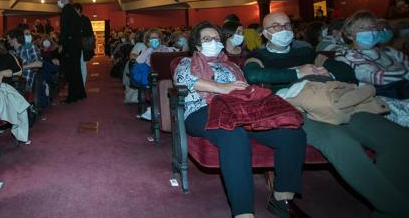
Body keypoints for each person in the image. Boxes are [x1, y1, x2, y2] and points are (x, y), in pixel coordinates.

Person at [244, 11, 409, 218]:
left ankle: (388, 208)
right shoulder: (259, 56)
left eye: (287, 25)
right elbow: (253, 75)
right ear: (265, 34)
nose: (283, 30)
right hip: (298, 108)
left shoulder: (308, 53)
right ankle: (397, 208)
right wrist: (297, 73)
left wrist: (327, 72)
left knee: (397, 138)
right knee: (341, 143)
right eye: (276, 26)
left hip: (334, 100)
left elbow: (346, 71)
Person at [174, 21, 308, 218]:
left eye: (216, 38)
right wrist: (222, 88)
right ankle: (243, 213)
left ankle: (281, 199)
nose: (213, 42)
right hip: (203, 111)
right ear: (197, 45)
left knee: (292, 132)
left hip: (241, 110)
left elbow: (245, 88)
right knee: (233, 134)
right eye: (206, 39)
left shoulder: (231, 65)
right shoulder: (186, 63)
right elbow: (184, 81)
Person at [334, 11, 409, 99]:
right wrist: (404, 73)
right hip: (383, 99)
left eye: (372, 26)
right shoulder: (347, 56)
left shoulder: (389, 51)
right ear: (350, 35)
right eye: (361, 28)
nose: (369, 30)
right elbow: (374, 77)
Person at [58, 0, 85, 103]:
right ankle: (80, 93)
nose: (58, 0)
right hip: (76, 45)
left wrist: (61, 44)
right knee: (76, 70)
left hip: (70, 45)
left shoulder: (66, 10)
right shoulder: (73, 11)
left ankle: (72, 96)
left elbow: (64, 29)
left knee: (71, 72)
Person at [7, 28, 42, 92]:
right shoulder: (12, 52)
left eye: (9, 39)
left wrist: (20, 68)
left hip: (24, 83)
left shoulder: (29, 47)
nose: (8, 41)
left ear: (14, 39)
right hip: (13, 82)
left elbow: (39, 63)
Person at [74, 3, 95, 86]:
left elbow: (88, 32)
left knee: (82, 65)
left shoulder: (84, 20)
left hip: (81, 46)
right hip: (79, 45)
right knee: (80, 65)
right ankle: (80, 84)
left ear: (78, 10)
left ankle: (82, 84)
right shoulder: (84, 19)